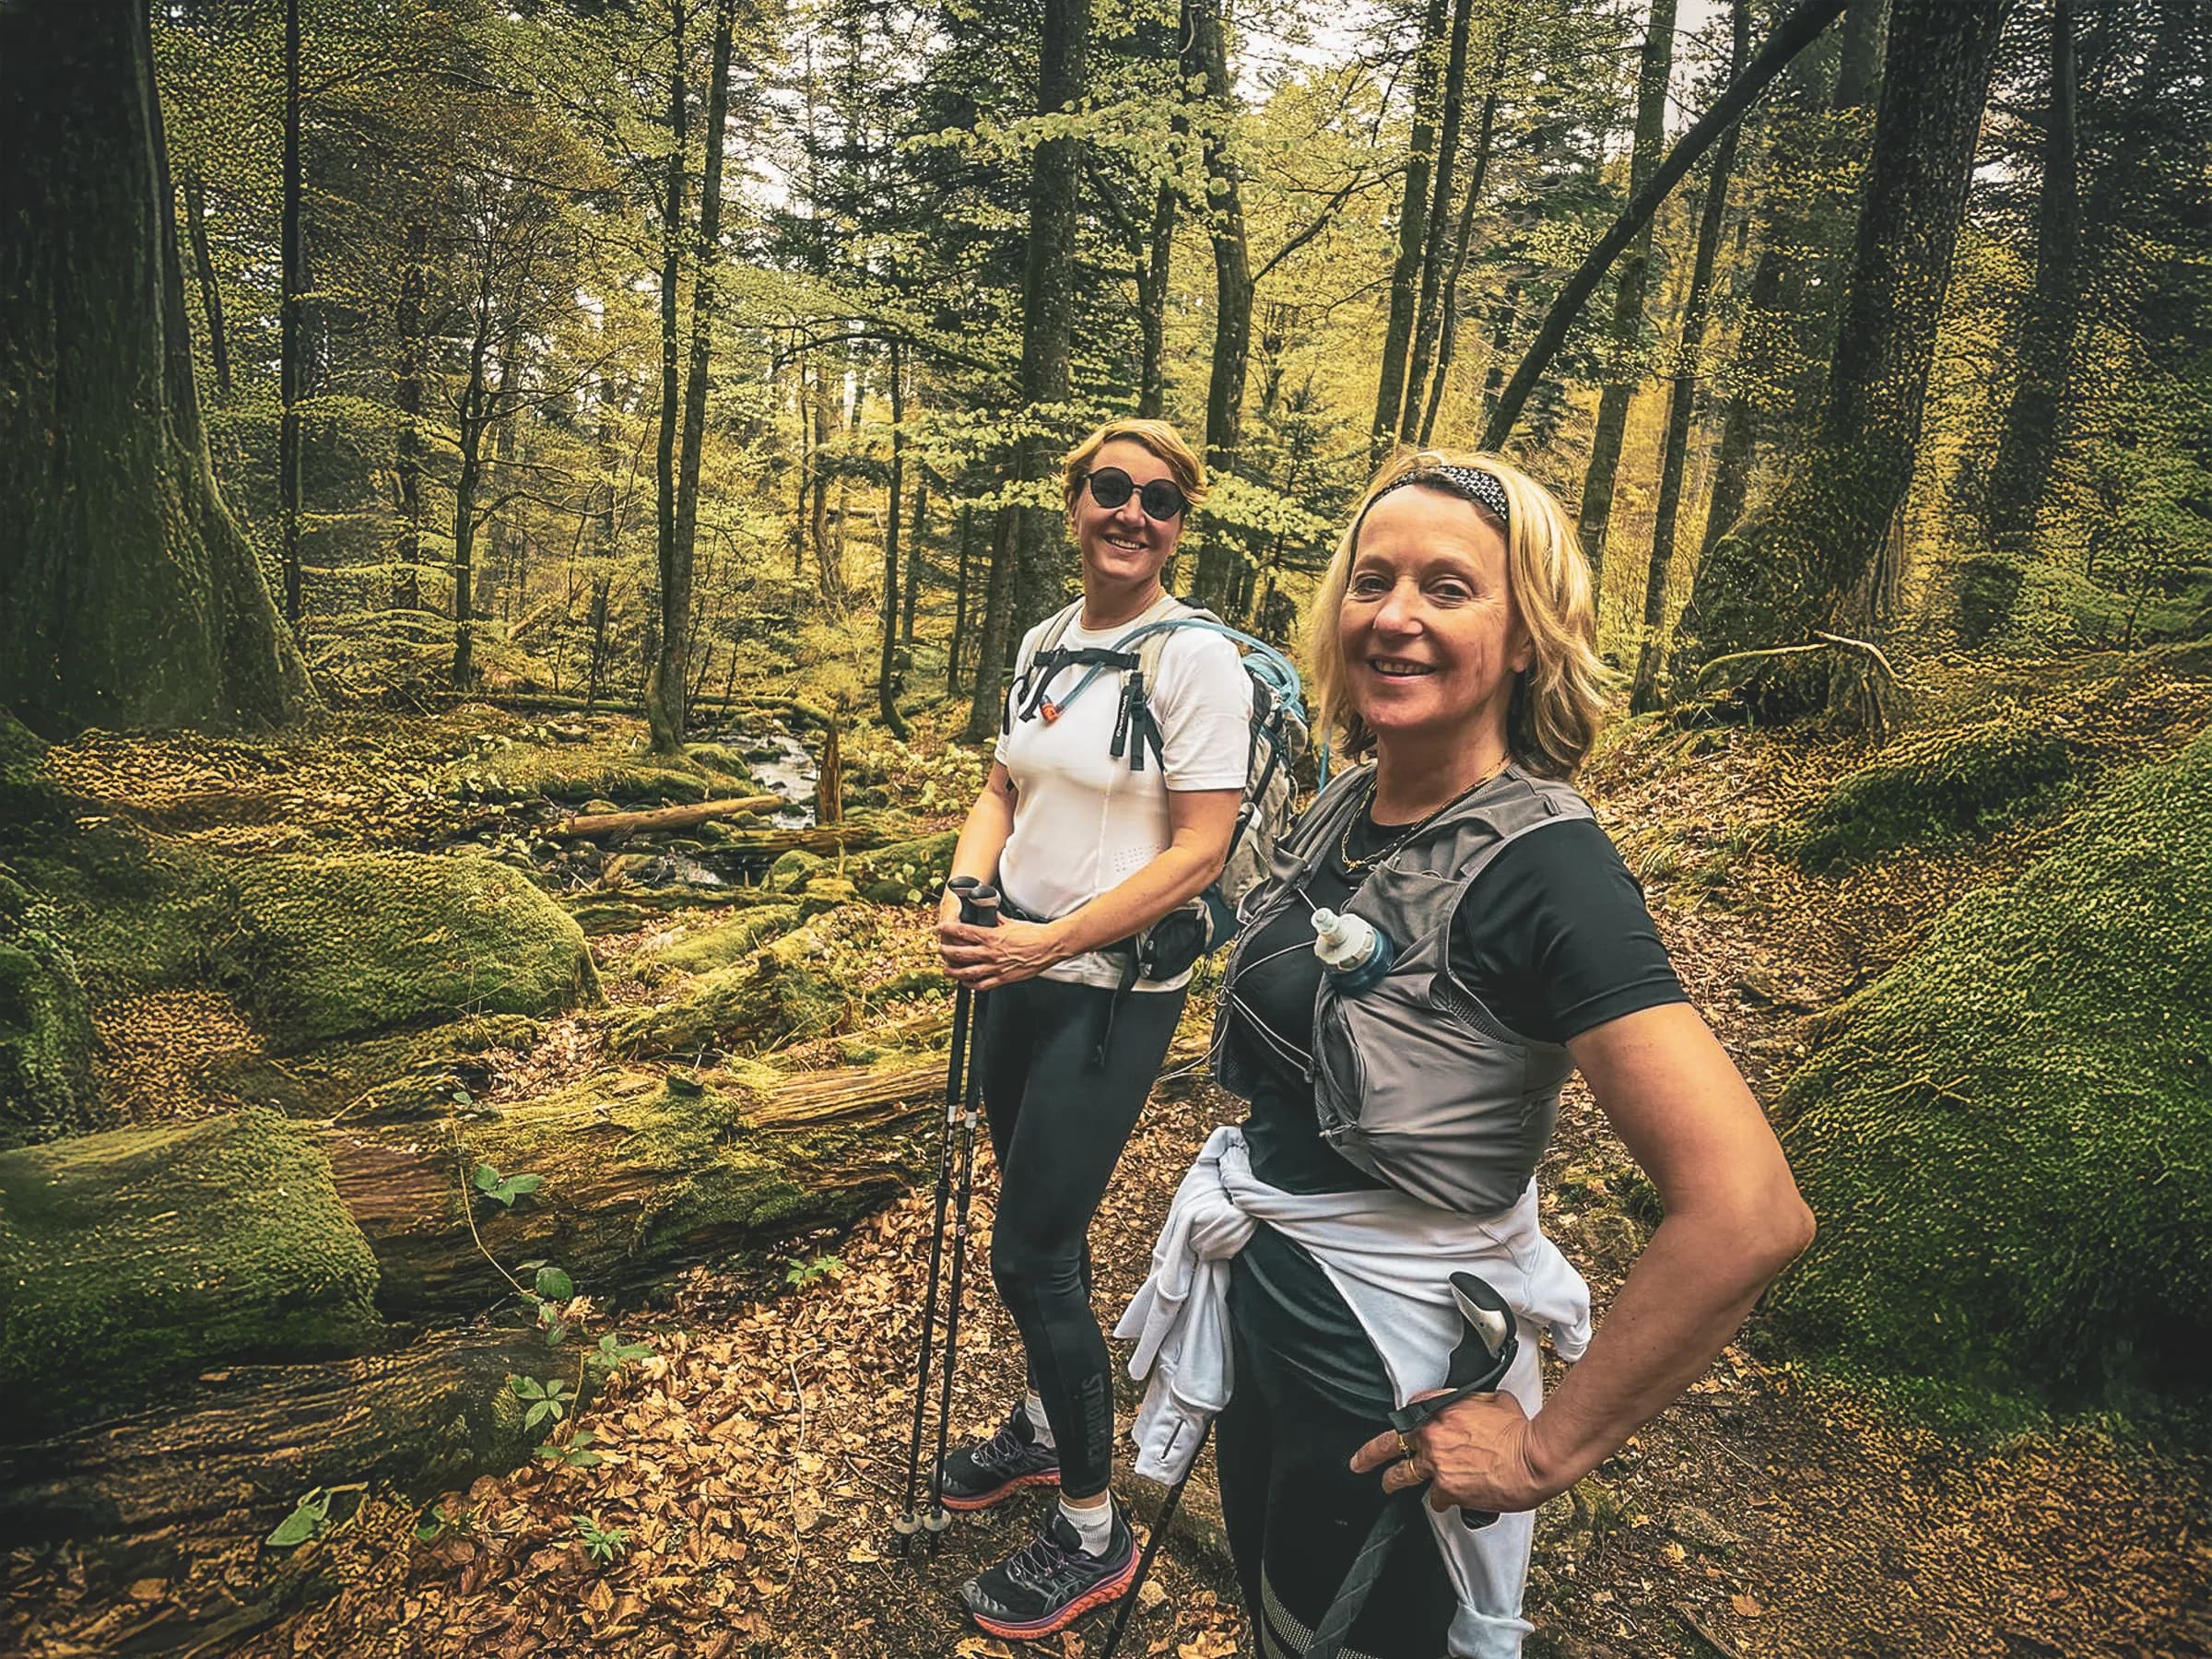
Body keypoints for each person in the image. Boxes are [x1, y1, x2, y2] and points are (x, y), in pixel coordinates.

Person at [1116, 449, 1815, 1658]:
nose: (1395, 615)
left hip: (1389, 1366)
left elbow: (1750, 1211)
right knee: (1278, 1611)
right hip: (1277, 1307)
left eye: (1449, 588)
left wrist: (1546, 1448)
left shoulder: (1550, 869)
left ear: (1529, 636)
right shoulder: (1352, 800)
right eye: (1373, 580)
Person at [933, 418, 1254, 1641]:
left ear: (1179, 525)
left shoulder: (1195, 663)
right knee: (1033, 1213)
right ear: (1072, 504)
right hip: (1013, 964)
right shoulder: (1044, 643)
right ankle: (1038, 1420)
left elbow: (1201, 849)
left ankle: (1091, 1533)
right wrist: (966, 891)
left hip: (1111, 993)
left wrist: (1043, 944)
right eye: (1111, 489)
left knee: (1031, 1252)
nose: (1132, 512)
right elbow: (1002, 787)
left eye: (1159, 500)